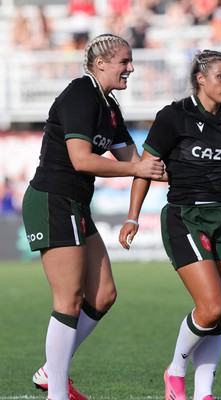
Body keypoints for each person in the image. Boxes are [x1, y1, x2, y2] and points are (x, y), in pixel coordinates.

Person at [119, 49, 221, 400]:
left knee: (216, 311)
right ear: (201, 78)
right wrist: (132, 215)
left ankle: (204, 393)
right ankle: (175, 372)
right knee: (212, 306)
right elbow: (145, 168)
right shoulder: (173, 117)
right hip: (184, 216)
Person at [22, 33, 165, 400]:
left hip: (75, 204)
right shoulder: (80, 95)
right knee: (68, 300)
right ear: (100, 63)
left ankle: (48, 372)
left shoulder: (109, 106)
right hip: (52, 199)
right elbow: (82, 160)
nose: (130, 68)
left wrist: (175, 169)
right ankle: (56, 391)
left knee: (102, 295)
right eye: (125, 61)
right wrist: (139, 170)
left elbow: (137, 161)